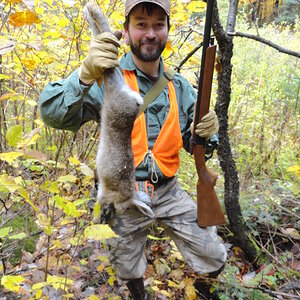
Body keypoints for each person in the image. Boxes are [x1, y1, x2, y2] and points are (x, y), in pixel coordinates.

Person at [39, 0, 227, 298]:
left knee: (215, 255)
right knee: (127, 266)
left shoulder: (180, 86)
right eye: (141, 24)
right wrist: (84, 75)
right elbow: (52, 114)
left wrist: (206, 134)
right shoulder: (106, 78)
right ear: (125, 32)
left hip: (169, 190)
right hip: (122, 192)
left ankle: (202, 292)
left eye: (158, 25)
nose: (150, 33)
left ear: (167, 30)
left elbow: (196, 144)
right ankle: (140, 294)